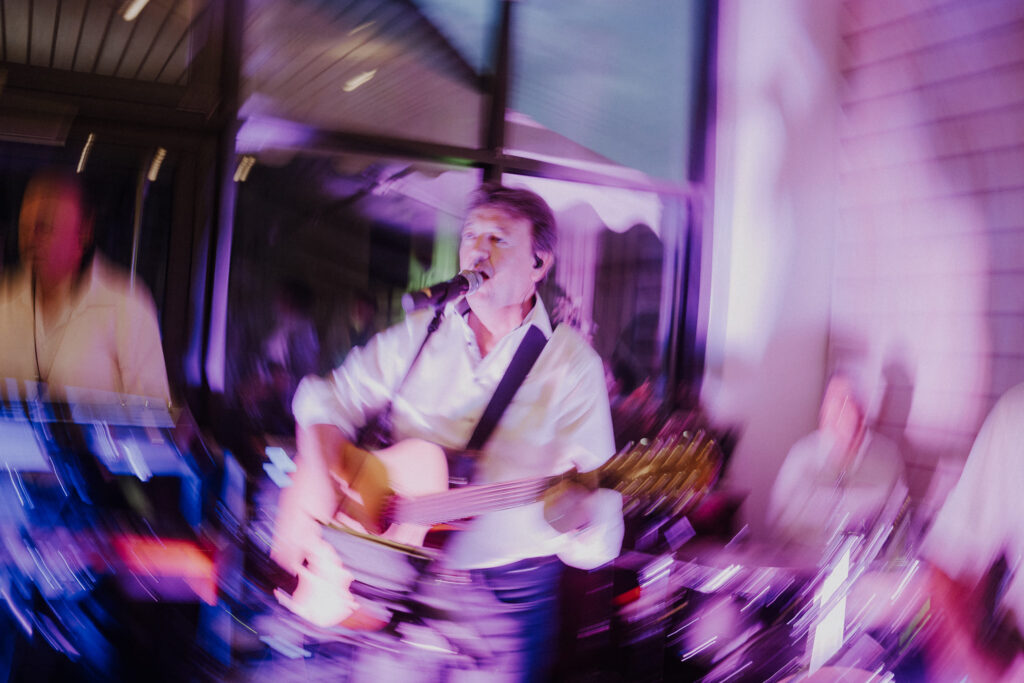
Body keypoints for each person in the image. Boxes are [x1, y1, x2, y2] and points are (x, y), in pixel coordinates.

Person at [272, 183, 623, 681]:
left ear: (539, 264)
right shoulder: (421, 332)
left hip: (504, 598)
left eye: (498, 239)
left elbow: (598, 537)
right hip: (397, 579)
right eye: (471, 236)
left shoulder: (573, 367)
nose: (478, 249)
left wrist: (580, 517)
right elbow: (324, 399)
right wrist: (317, 483)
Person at [0, 168, 171, 404]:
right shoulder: (3, 298)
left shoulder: (126, 305)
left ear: (84, 231)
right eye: (25, 227)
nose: (31, 239)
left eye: (44, 227)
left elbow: (153, 414)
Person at [767, 372, 907, 557]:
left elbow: (898, 527)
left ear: (863, 410)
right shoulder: (802, 456)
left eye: (848, 401)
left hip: (862, 570)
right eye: (833, 401)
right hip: (803, 566)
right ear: (823, 410)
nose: (840, 410)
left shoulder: (888, 459)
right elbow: (779, 522)